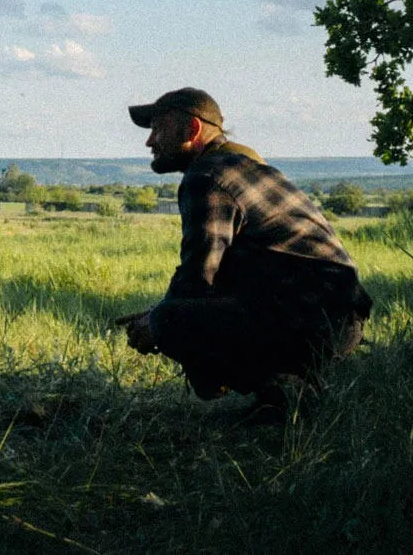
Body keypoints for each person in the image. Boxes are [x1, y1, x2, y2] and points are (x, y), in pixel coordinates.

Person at [120, 87, 371, 414]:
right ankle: (285, 389)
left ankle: (284, 390)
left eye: (159, 129)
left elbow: (197, 276)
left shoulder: (207, 176)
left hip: (311, 322)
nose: (149, 141)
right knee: (184, 311)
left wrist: (156, 322)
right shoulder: (245, 169)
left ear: (192, 130)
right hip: (336, 320)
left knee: (172, 319)